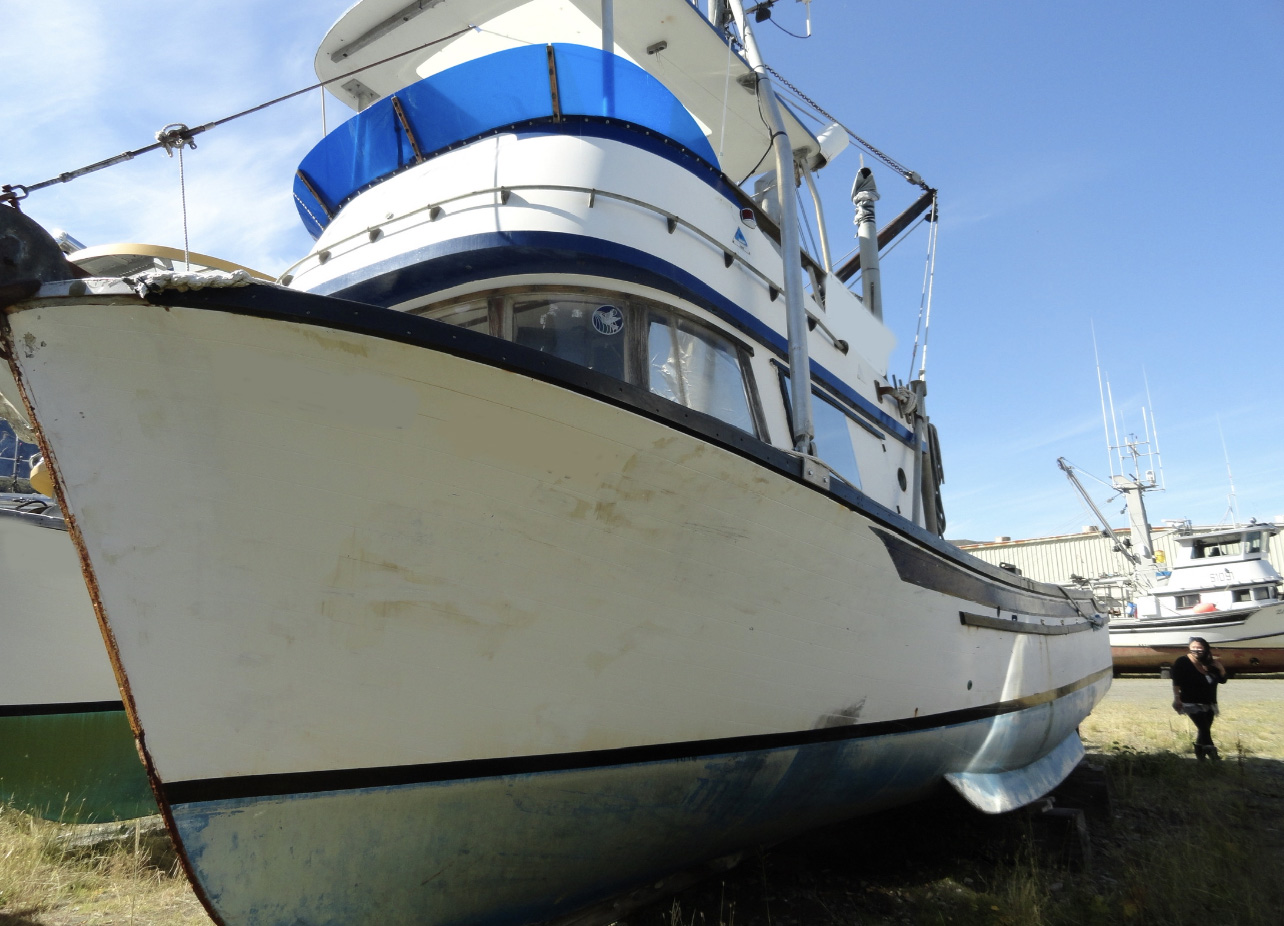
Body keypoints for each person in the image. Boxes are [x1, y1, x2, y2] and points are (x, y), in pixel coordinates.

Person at [1170, 637, 1227, 760]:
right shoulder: (1183, 661)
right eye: (1194, 647)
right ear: (1189, 648)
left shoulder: (1210, 663)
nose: (1196, 650)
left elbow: (1222, 680)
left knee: (1203, 730)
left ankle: (1200, 757)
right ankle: (1214, 757)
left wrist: (1221, 668)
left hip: (1210, 703)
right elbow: (1176, 681)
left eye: (1199, 647)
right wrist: (1176, 698)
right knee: (1204, 729)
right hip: (1191, 702)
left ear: (1205, 648)